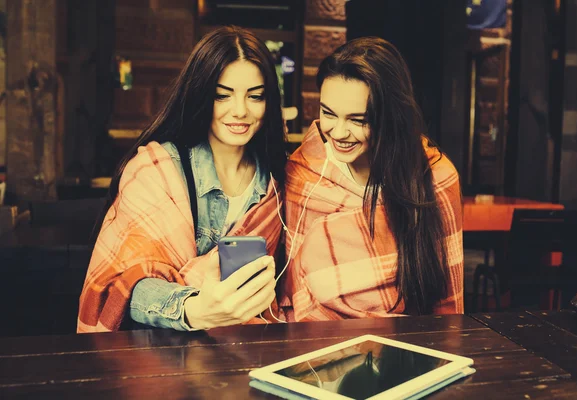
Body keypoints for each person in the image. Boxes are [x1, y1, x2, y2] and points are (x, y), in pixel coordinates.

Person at [78, 26, 287, 333]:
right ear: (201, 94)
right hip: (164, 353)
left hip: (249, 347)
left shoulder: (275, 181)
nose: (240, 111)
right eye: (222, 95)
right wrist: (192, 309)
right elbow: (119, 290)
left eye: (255, 96)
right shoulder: (156, 171)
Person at [279, 37, 463, 321]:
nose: (338, 132)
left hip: (406, 351)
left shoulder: (436, 176)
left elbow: (448, 305)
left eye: (358, 119)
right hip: (313, 349)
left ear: (390, 117)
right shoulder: (302, 173)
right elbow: (291, 294)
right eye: (328, 113)